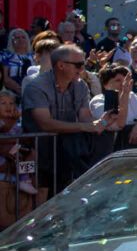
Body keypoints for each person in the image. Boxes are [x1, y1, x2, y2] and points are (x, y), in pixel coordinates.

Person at [22, 44, 113, 189]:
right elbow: (45, 124)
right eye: (78, 65)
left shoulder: (80, 86)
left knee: (103, 136)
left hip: (68, 148)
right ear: (60, 65)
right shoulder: (37, 87)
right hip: (40, 148)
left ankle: (95, 182)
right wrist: (85, 126)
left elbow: (85, 118)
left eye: (83, 64)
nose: (82, 69)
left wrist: (102, 124)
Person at [1, 29, 33, 96]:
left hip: (32, 91)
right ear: (11, 41)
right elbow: (5, 78)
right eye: (17, 38)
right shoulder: (5, 55)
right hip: (10, 93)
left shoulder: (34, 56)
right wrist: (20, 90)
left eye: (23, 37)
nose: (21, 40)